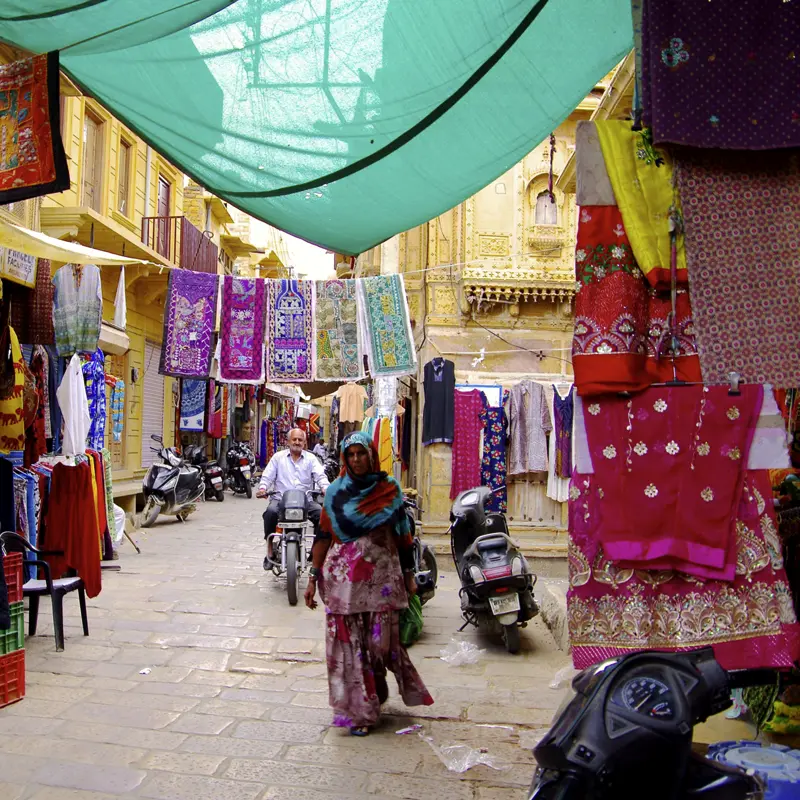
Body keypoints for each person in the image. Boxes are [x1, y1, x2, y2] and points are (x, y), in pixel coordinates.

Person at [305, 431, 433, 736]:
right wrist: (312, 577)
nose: (356, 460)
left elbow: (403, 535)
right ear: (344, 458)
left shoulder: (388, 490)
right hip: (344, 584)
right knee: (351, 648)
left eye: (361, 453)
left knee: (380, 644)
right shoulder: (335, 493)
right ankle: (360, 712)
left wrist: (409, 575)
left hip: (382, 581)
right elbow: (323, 536)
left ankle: (376, 686)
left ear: (371, 455)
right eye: (350, 455)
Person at [257, 428, 329, 568]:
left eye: (300, 440)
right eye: (294, 439)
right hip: (280, 500)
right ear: (288, 441)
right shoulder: (278, 457)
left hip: (305, 501)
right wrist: (262, 488)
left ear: (304, 442)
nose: (297, 442)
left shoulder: (311, 459)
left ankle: (315, 551)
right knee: (270, 513)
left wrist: (326, 489)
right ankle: (270, 549)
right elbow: (267, 476)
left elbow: (320, 476)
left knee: (322, 515)